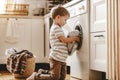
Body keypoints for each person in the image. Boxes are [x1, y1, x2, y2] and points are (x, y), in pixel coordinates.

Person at [49, 6, 80, 80]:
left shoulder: (58, 28)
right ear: (58, 17)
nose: (66, 22)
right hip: (56, 58)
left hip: (62, 58)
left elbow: (63, 42)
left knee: (62, 77)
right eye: (65, 19)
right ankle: (38, 76)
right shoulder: (56, 28)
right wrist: (74, 38)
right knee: (55, 77)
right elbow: (64, 40)